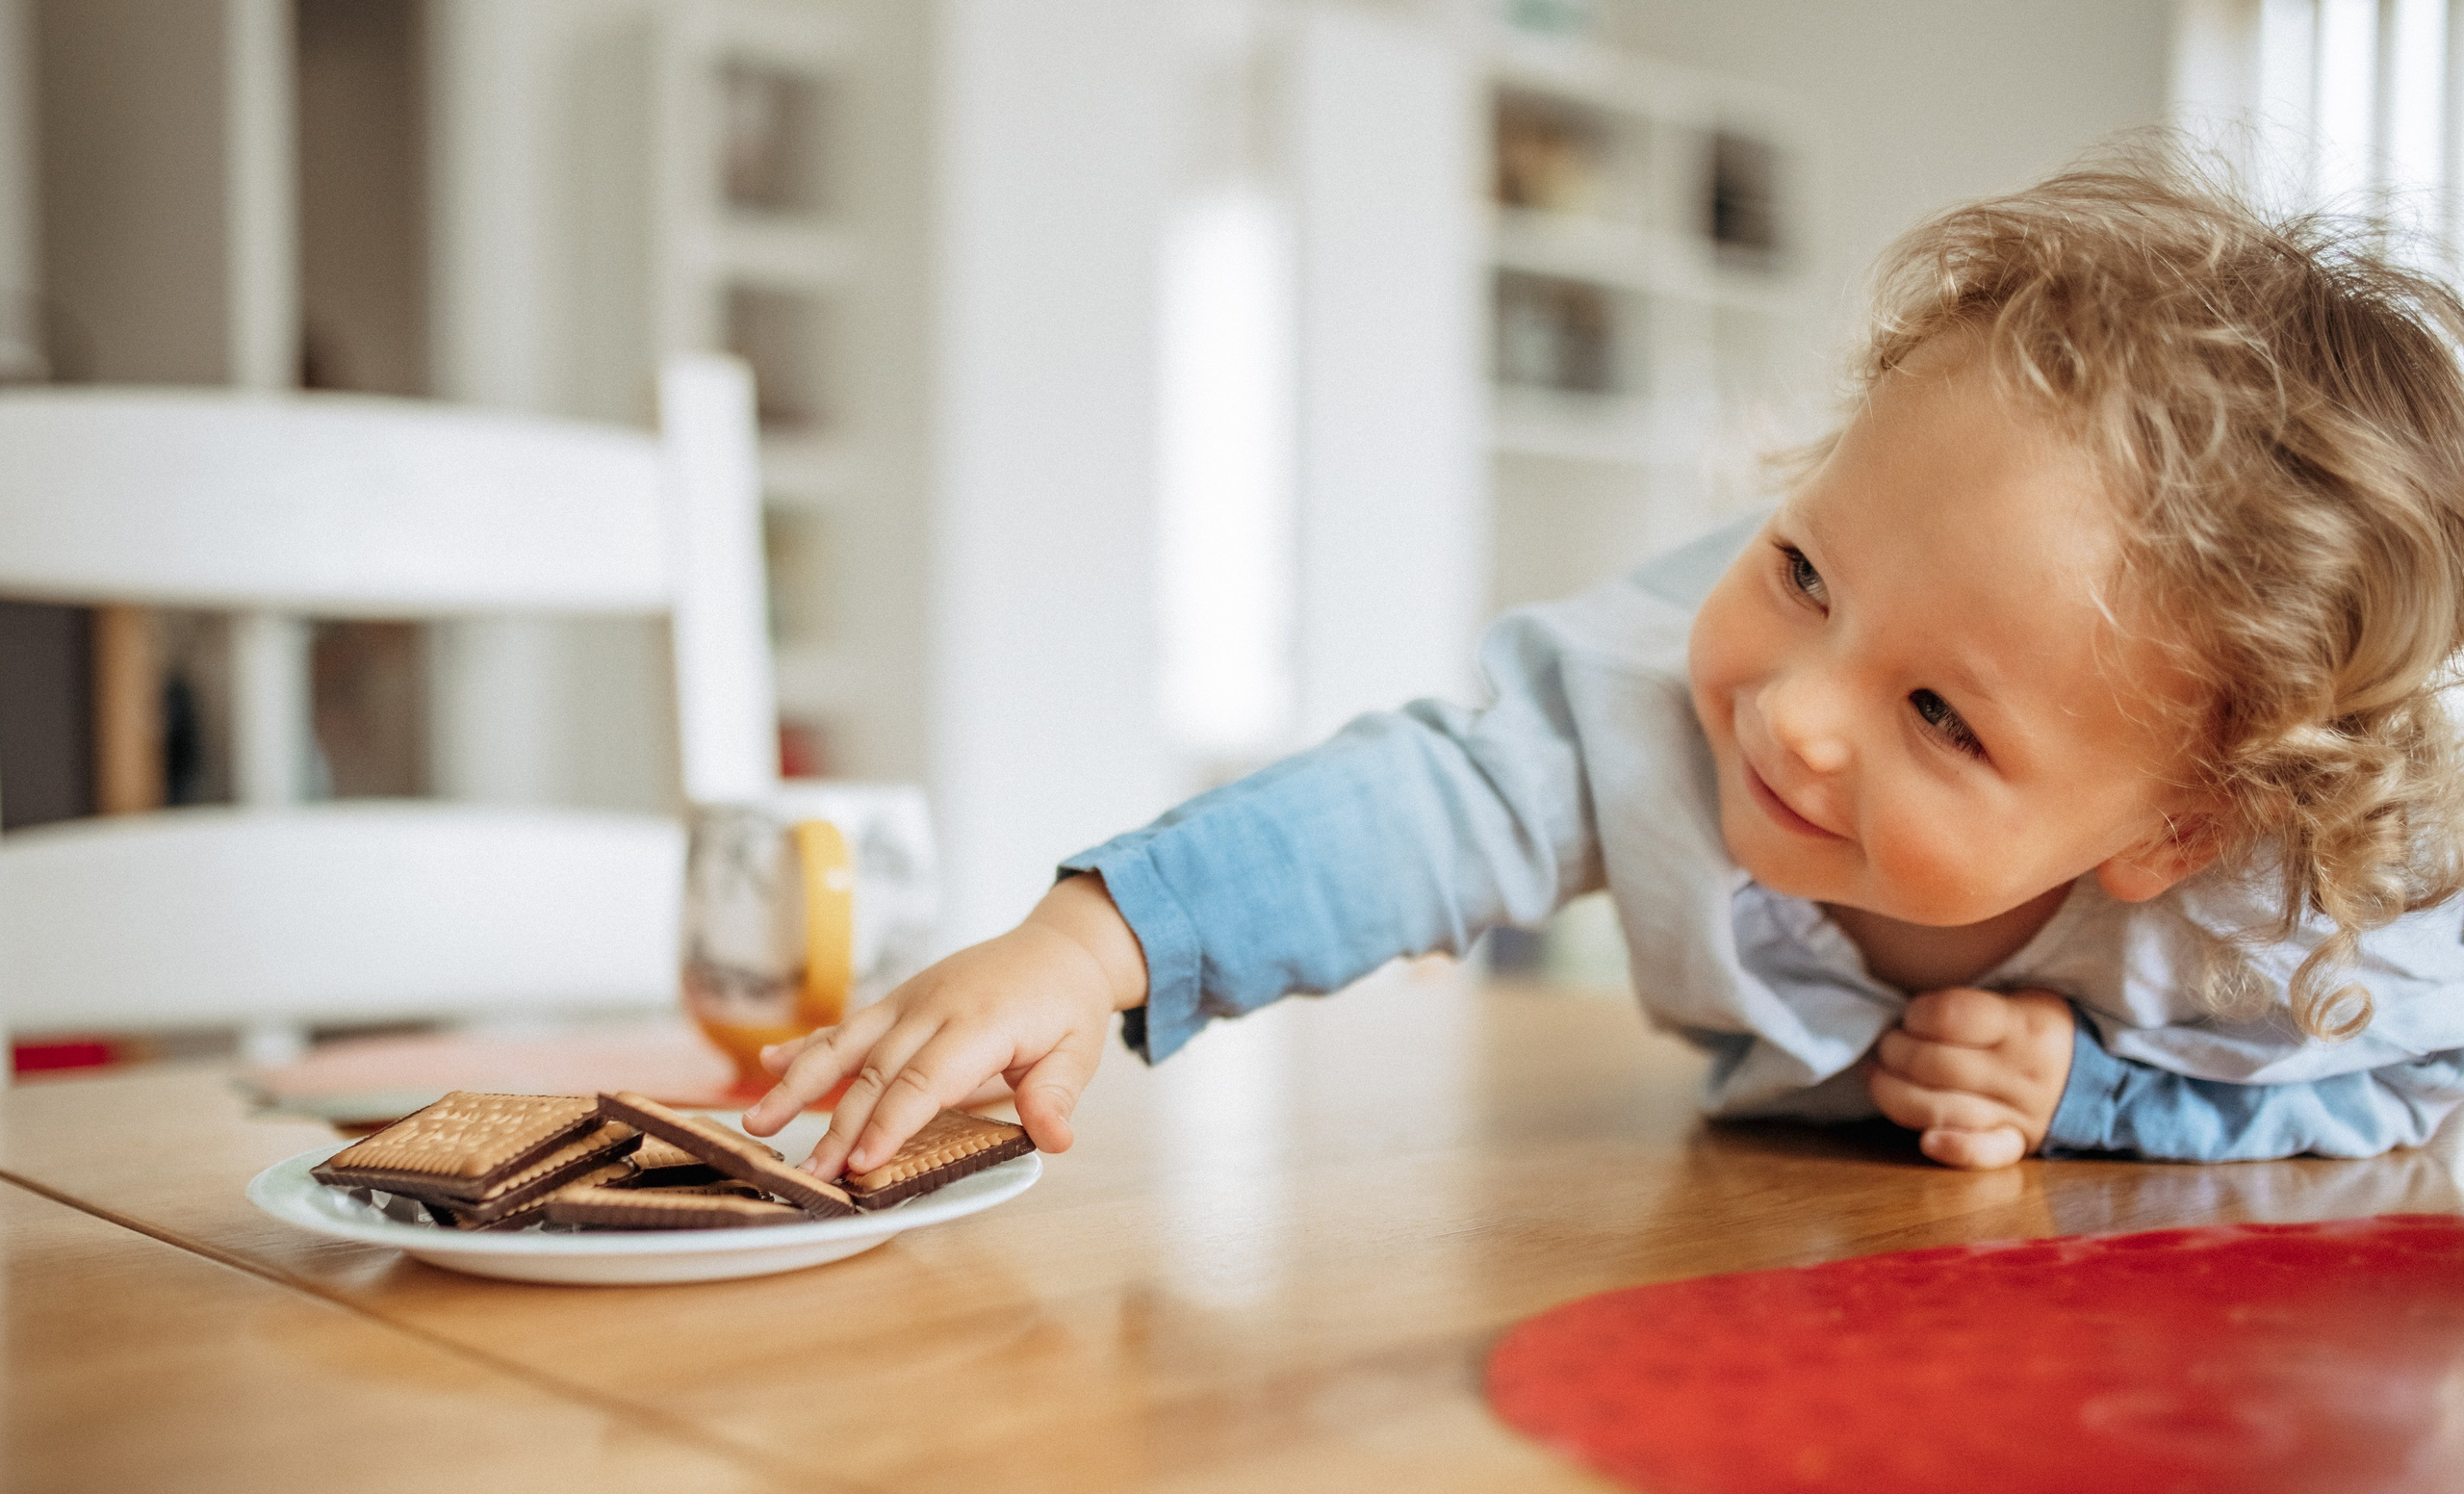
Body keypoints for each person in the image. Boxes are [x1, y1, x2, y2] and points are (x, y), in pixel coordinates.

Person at [746, 151, 2464, 1176]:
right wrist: (1093, 938)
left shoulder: (2304, 921)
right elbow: (1429, 801)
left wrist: (2107, 1104)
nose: (1790, 711)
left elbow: (2421, 1089)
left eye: (1941, 716)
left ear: (2181, 828)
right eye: (1802, 569)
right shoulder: (1662, 693)